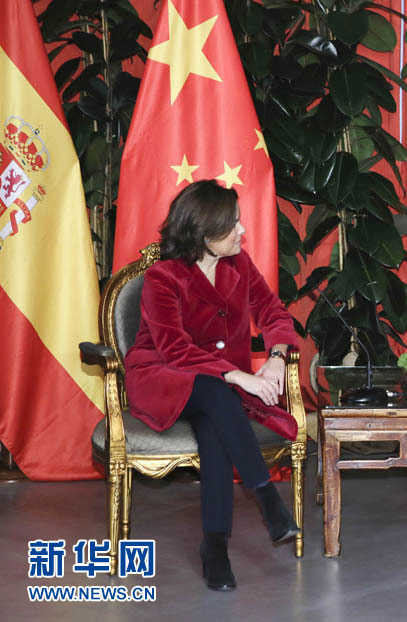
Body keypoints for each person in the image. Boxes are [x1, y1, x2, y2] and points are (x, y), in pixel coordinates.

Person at [124, 180, 301, 591]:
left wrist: (275, 357)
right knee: (215, 391)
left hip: (216, 387)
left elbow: (274, 312)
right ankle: (269, 501)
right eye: (234, 226)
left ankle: (215, 546)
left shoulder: (239, 265)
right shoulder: (163, 277)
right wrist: (239, 375)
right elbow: (174, 350)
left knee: (215, 426)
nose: (243, 232)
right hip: (162, 376)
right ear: (205, 237)